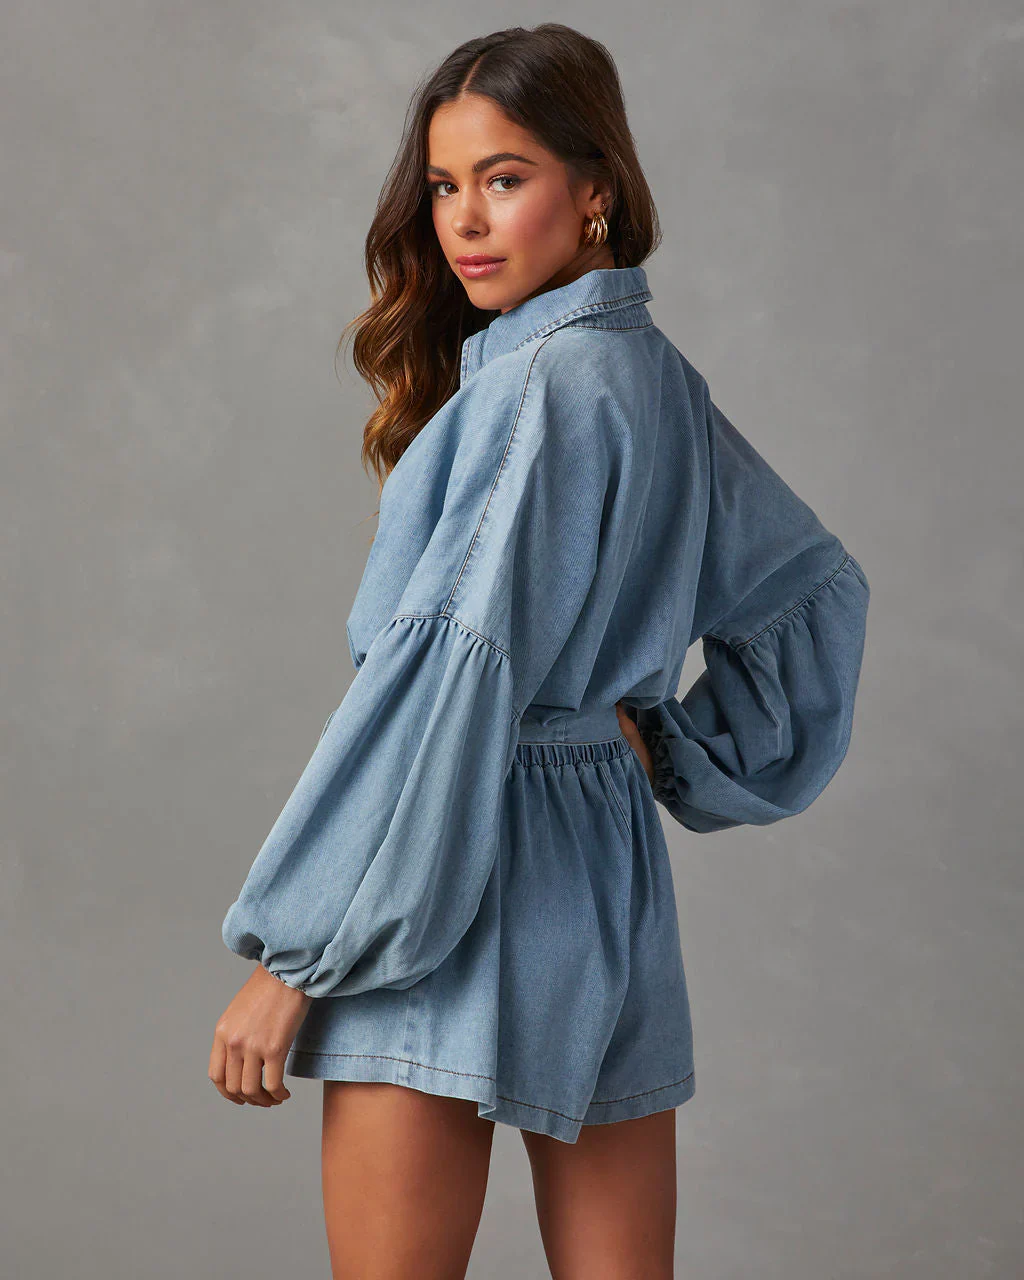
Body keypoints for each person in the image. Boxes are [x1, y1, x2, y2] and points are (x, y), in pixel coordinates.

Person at [209, 23, 870, 1280]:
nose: (464, 220)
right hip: (602, 868)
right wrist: (658, 747)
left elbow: (436, 692)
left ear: (594, 188)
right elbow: (811, 593)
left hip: (444, 862)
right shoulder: (652, 378)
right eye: (444, 185)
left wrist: (296, 959)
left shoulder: (531, 389)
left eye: (504, 178)